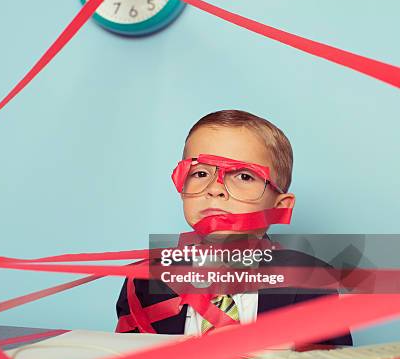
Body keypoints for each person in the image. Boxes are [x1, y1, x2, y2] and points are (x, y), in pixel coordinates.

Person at [116, 109, 352, 345]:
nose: (215, 188)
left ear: (281, 206)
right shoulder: (143, 282)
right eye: (199, 172)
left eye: (244, 176)